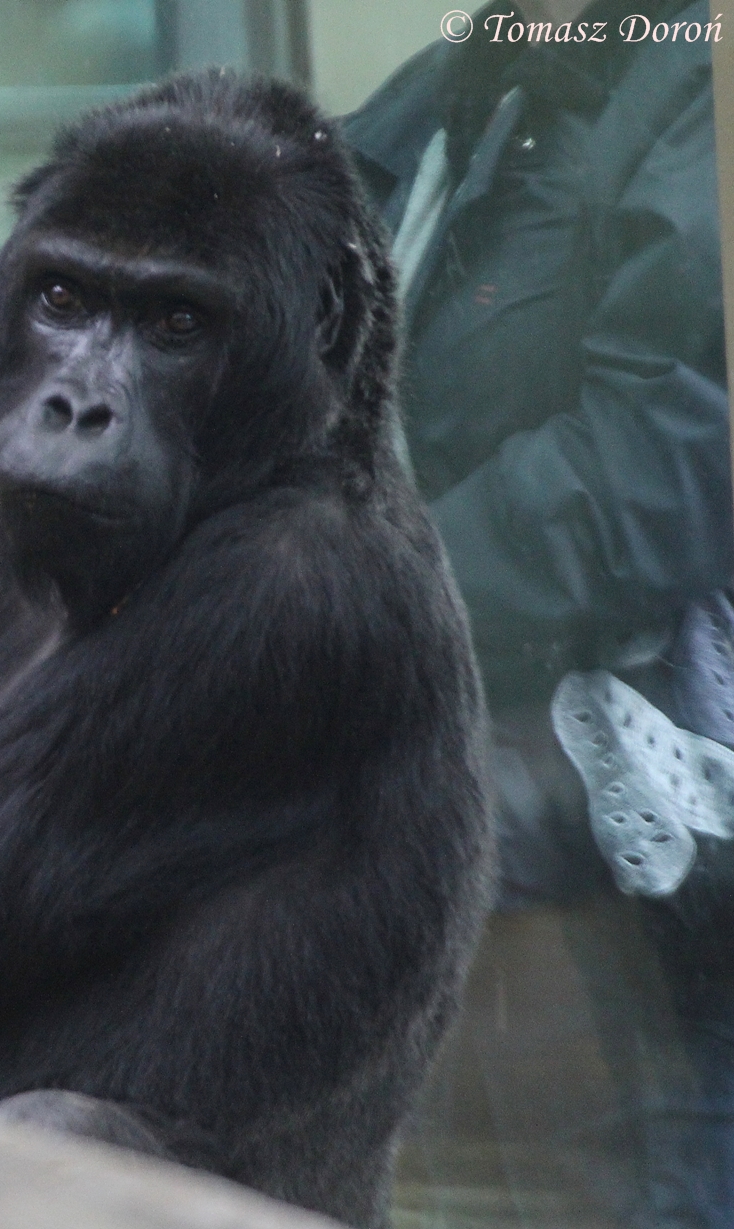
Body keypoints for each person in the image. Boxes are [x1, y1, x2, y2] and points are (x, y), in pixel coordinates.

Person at [344, 2, 733, 1225]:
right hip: (488, 793)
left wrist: (367, 583)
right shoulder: (479, 71)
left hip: (647, 853)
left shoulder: (691, 74)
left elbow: (669, 456)